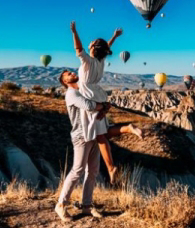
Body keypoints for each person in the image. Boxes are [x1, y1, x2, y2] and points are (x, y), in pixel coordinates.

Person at [70, 21, 143, 185]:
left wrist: (74, 32)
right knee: (103, 132)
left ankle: (110, 167)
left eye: (93, 43)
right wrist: (114, 37)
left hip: (89, 97)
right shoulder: (101, 62)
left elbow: (78, 49)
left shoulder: (87, 62)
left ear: (94, 49)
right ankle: (127, 129)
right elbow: (105, 48)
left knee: (100, 136)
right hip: (98, 95)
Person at [55, 70, 106, 222]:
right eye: (67, 74)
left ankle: (86, 205)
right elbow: (89, 105)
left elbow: (100, 100)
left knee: (93, 171)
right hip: (81, 136)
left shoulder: (84, 90)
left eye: (70, 71)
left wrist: (102, 105)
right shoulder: (71, 94)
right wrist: (102, 105)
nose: (71, 72)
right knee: (78, 170)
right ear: (65, 81)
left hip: (94, 133)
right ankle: (61, 204)